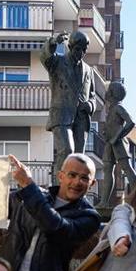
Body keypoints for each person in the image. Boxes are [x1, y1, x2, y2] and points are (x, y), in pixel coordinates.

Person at [8, 152, 101, 271]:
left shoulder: (90, 217)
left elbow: (56, 228)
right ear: (60, 176)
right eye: (72, 175)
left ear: (92, 183)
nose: (76, 182)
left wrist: (28, 185)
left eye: (84, 178)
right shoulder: (33, 196)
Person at [40, 31, 96, 177]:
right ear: (70, 46)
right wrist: (53, 42)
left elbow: (93, 97)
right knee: (66, 151)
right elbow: (44, 57)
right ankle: (59, 190)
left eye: (84, 50)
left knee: (78, 160)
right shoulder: (57, 62)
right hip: (61, 116)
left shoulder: (89, 70)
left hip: (80, 120)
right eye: (78, 49)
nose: (81, 53)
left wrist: (89, 105)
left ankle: (75, 195)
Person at [97, 81, 136, 208]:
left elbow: (131, 122)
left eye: (109, 91)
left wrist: (117, 137)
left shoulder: (119, 107)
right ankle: (104, 202)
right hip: (110, 143)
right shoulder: (112, 109)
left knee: (127, 169)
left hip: (118, 143)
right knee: (107, 170)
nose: (107, 93)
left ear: (113, 94)